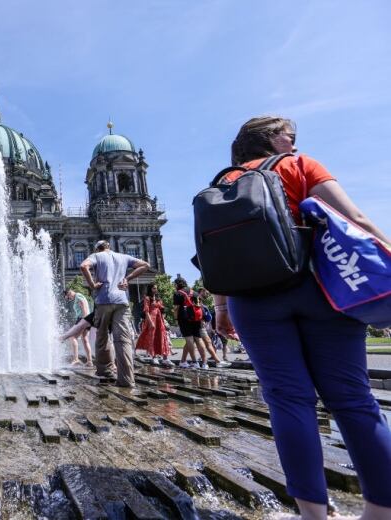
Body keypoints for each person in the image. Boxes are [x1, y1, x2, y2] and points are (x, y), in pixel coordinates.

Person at [213, 116, 391, 519]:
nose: (293, 142)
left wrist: (222, 307)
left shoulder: (223, 182)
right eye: (288, 136)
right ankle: (381, 510)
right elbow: (355, 220)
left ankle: (313, 514)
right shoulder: (301, 165)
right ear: (271, 140)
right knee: (352, 399)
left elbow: (219, 253)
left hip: (253, 299)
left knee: (288, 400)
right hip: (321, 288)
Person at [80, 240, 149, 387]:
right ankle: (126, 379)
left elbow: (83, 266)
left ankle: (105, 370)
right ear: (109, 247)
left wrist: (92, 285)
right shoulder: (123, 256)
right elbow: (146, 265)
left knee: (102, 336)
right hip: (122, 301)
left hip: (103, 300)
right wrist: (127, 278)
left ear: (97, 249)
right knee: (123, 339)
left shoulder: (96, 256)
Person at [173, 276, 209, 369]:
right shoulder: (195, 292)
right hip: (196, 319)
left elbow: (176, 309)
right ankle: (205, 363)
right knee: (199, 339)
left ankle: (195, 362)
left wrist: (176, 319)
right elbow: (200, 306)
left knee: (189, 340)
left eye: (175, 284)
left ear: (177, 284)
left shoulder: (178, 293)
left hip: (184, 319)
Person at [135, 284, 173, 367]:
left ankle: (165, 358)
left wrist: (163, 319)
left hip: (159, 320)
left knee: (162, 337)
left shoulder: (158, 299)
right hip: (151, 319)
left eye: (156, 288)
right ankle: (154, 357)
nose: (156, 289)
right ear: (150, 289)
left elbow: (162, 309)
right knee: (152, 338)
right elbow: (146, 311)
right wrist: (150, 322)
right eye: (154, 288)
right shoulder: (147, 298)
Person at [196, 288, 231, 368]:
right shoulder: (197, 299)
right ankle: (202, 362)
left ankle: (202, 362)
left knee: (204, 342)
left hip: (199, 325)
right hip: (198, 325)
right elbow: (201, 313)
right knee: (204, 343)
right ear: (201, 292)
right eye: (206, 292)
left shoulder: (198, 301)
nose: (207, 294)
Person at [63, 288, 94, 367]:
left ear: (69, 293)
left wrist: (84, 321)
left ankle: (76, 359)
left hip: (82, 319)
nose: (70, 299)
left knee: (72, 337)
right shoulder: (79, 296)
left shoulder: (78, 296)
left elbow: (84, 307)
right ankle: (90, 361)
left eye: (68, 298)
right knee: (85, 339)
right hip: (87, 319)